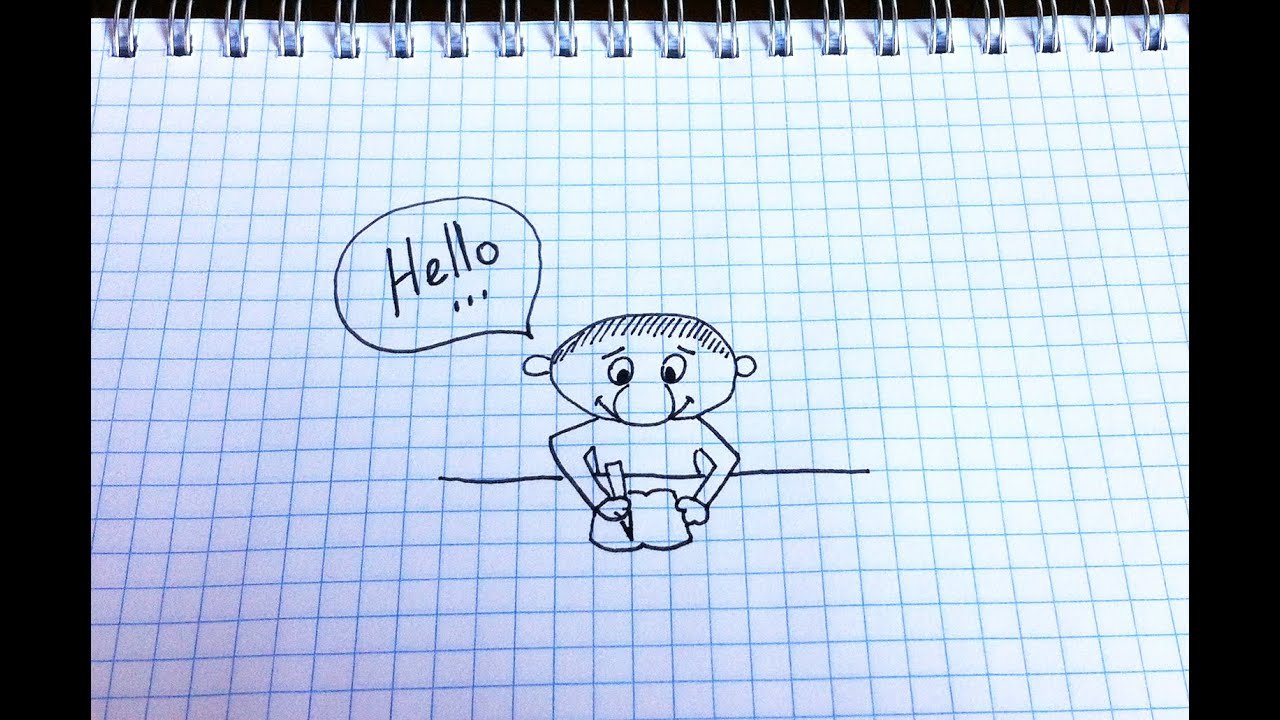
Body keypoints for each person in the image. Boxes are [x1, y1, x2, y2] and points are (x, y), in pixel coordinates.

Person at [522, 313, 757, 551]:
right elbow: (564, 447)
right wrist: (599, 500)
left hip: (673, 515)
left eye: (671, 374)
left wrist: (700, 500)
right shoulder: (601, 428)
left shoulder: (690, 427)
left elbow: (726, 459)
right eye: (621, 376)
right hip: (615, 518)